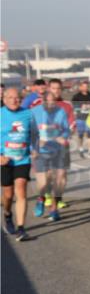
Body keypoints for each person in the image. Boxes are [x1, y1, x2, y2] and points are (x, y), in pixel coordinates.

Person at [29, 91, 71, 221]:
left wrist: (63, 137)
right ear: (42, 101)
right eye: (48, 101)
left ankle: (54, 208)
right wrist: (34, 146)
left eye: (53, 101)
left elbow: (66, 129)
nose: (51, 104)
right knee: (43, 181)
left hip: (58, 149)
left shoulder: (61, 111)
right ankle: (41, 198)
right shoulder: (34, 112)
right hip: (40, 151)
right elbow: (28, 132)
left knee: (61, 178)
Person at [2, 86, 37, 240]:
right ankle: (7, 214)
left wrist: (35, 149)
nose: (14, 100)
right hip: (4, 160)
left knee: (21, 189)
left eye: (17, 97)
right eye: (10, 97)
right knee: (8, 195)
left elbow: (35, 135)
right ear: (4, 100)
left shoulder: (28, 114)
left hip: (23, 158)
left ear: (21, 100)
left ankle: (21, 228)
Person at [71, 80, 90, 158]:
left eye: (86, 86)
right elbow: (74, 107)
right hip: (80, 118)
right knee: (81, 135)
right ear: (80, 87)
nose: (85, 88)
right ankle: (81, 149)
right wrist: (81, 107)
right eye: (84, 86)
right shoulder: (76, 96)